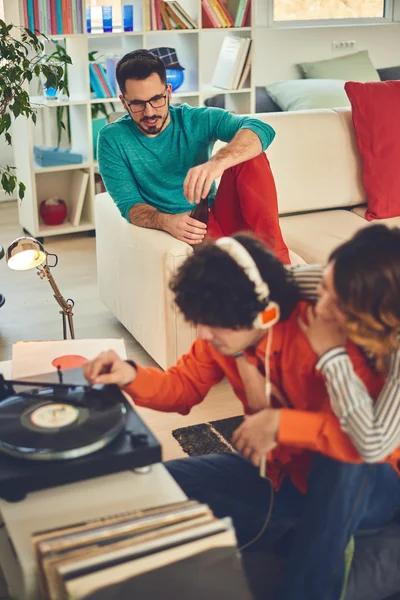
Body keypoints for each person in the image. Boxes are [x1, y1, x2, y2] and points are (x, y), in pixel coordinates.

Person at [84, 232, 400, 600]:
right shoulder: (227, 325)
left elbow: (360, 444)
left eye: (212, 324)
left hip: (368, 486)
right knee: (160, 483)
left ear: (261, 315)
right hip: (285, 479)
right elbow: (183, 386)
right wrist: (130, 375)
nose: (202, 333)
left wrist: (281, 425)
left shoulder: (330, 337)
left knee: (340, 464)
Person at [97, 49, 289, 263]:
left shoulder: (195, 119)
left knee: (250, 156)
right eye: (138, 104)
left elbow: (261, 129)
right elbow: (130, 206)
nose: (149, 112)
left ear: (169, 92)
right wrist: (165, 221)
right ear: (124, 102)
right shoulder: (112, 139)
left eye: (157, 99)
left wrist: (217, 163)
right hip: (185, 228)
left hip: (218, 212)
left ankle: (281, 265)